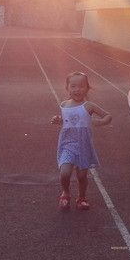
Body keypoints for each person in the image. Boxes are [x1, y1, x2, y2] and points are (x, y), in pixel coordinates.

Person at [50, 71, 112, 211]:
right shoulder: (64, 105)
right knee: (64, 172)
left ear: (87, 88)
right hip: (67, 144)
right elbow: (65, 121)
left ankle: (82, 197)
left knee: (82, 175)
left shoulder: (89, 106)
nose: (77, 89)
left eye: (81, 86)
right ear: (67, 88)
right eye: (73, 86)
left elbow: (108, 115)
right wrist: (57, 120)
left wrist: (102, 122)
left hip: (84, 145)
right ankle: (65, 193)